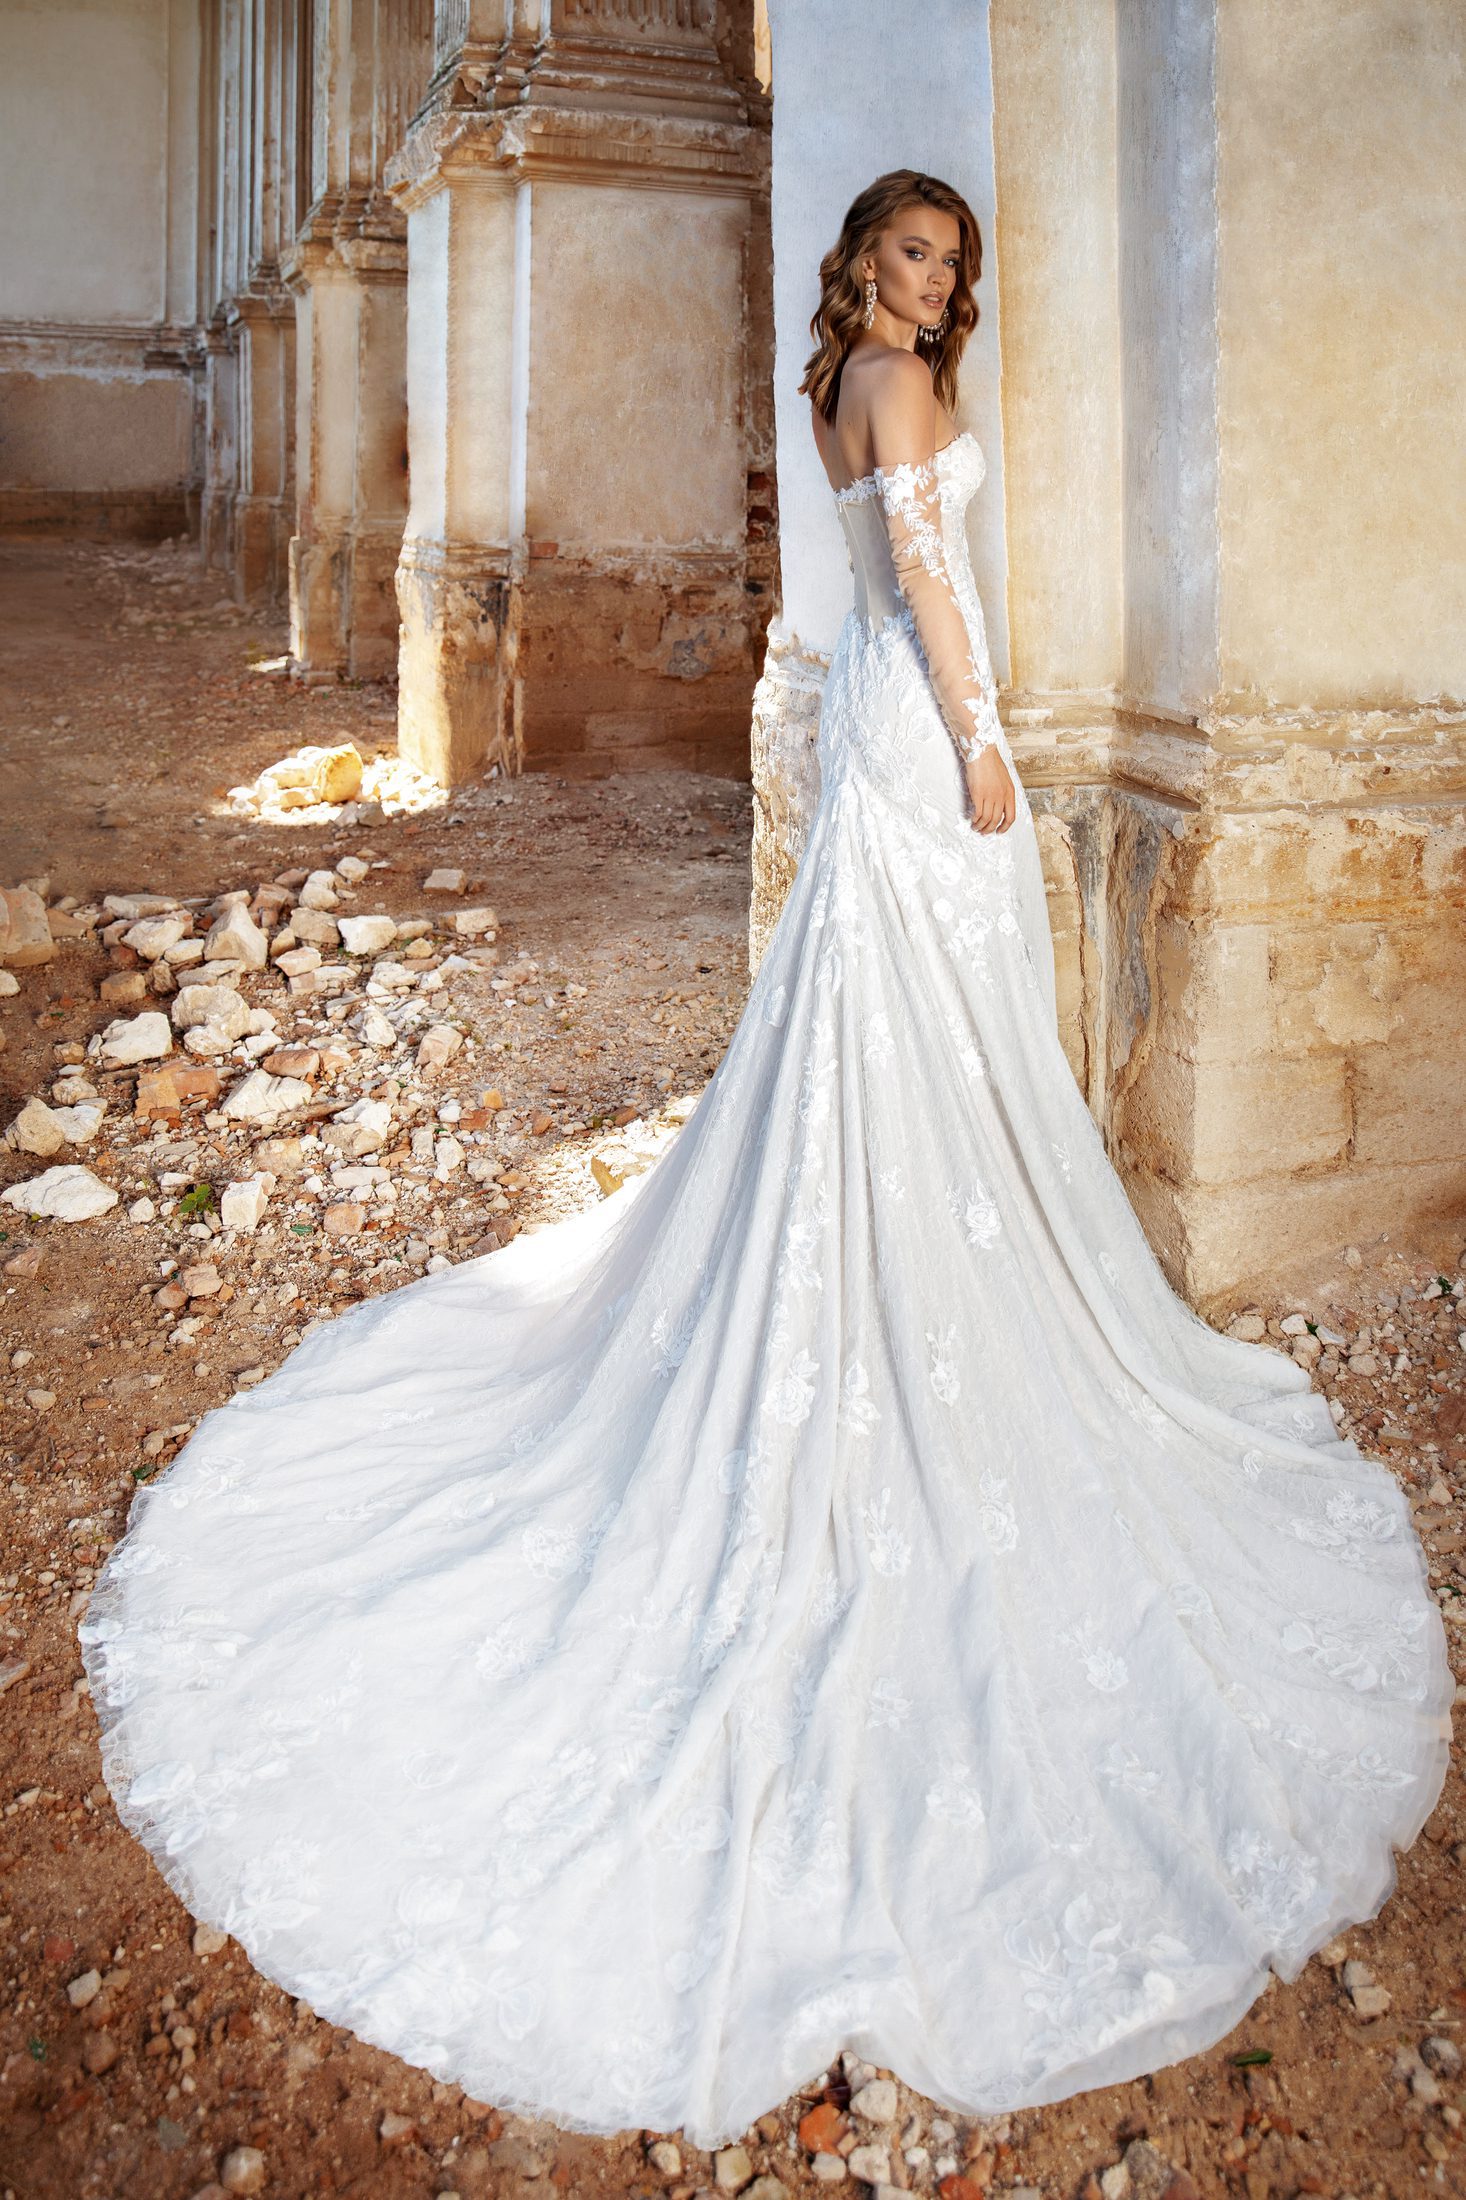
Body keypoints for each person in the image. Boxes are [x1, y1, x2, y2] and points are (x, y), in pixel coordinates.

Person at [80, 169, 1452, 2150]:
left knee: (882, 1025)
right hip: (922, 730)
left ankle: (895, 1259)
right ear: (864, 264)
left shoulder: (835, 384)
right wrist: (986, 745)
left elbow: (886, 565)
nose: (933, 283)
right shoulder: (893, 391)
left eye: (949, 263)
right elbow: (933, 584)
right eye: (911, 255)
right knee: (920, 1019)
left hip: (872, 725)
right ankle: (907, 1283)